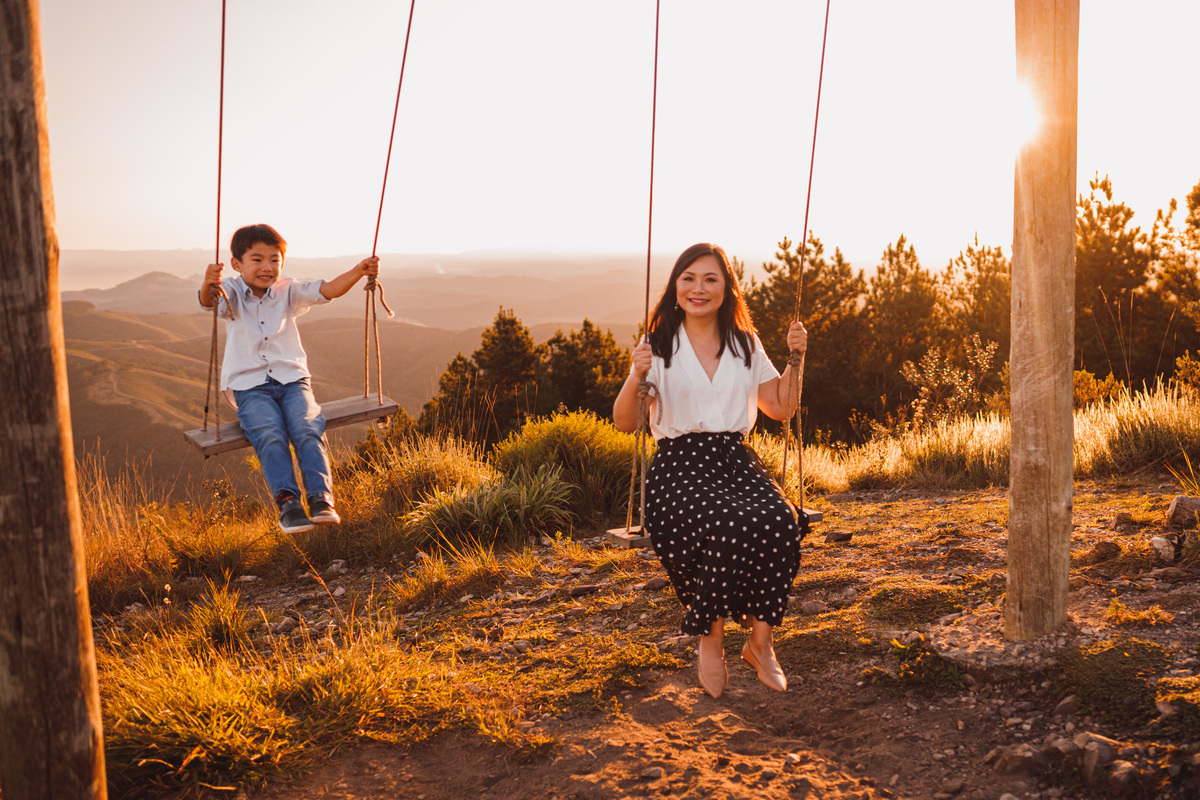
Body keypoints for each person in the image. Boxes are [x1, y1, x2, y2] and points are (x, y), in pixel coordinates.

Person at [613, 242, 807, 699]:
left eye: (710, 279)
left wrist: (796, 358)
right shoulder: (659, 345)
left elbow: (780, 407)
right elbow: (625, 422)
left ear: (726, 289)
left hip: (735, 461)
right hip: (678, 466)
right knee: (725, 522)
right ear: (676, 287)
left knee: (782, 520)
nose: (698, 288)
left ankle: (761, 643)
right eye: (689, 279)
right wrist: (636, 375)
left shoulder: (745, 344)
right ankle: (711, 637)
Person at [199, 223, 380, 534]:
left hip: (292, 380)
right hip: (248, 386)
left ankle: (321, 498)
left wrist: (358, 271)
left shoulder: (288, 291)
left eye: (275, 259)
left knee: (306, 426)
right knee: (270, 432)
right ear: (237, 265)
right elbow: (208, 301)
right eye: (257, 259)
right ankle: (288, 504)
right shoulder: (230, 291)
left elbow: (328, 290)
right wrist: (208, 282)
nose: (267, 267)